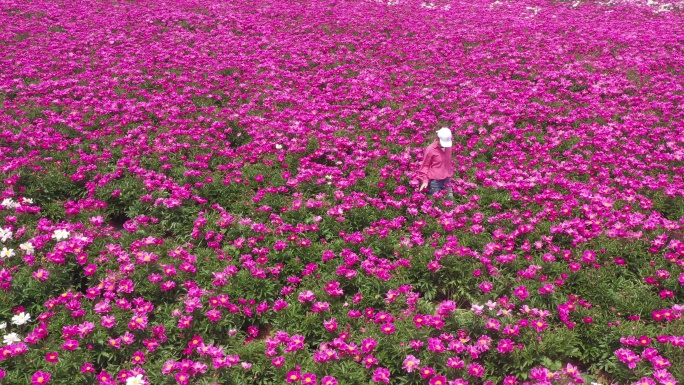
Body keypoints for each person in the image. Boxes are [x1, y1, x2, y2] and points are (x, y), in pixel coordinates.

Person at [416, 127, 454, 198]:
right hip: (435, 182)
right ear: (437, 138)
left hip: (447, 180)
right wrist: (424, 180)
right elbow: (425, 166)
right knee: (436, 203)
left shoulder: (449, 146)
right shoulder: (430, 149)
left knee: (450, 201)